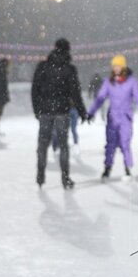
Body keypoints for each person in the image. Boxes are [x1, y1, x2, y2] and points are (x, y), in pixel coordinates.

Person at [30, 38, 87, 189]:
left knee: (42, 144)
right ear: (68, 50)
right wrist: (82, 111)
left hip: (45, 111)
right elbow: (75, 93)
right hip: (62, 111)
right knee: (63, 145)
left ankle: (40, 175)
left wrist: (37, 109)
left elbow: (35, 89)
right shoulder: (69, 69)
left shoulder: (43, 66)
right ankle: (65, 177)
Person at [87, 54, 138, 179]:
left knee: (125, 143)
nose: (116, 68)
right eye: (114, 66)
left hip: (126, 117)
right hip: (112, 118)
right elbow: (100, 98)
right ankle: (107, 167)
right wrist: (91, 112)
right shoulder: (109, 82)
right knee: (110, 144)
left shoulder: (131, 81)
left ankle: (128, 168)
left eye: (118, 66)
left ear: (123, 67)